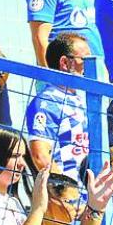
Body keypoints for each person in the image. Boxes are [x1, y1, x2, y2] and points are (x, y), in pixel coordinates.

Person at [25, 33, 90, 175]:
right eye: (84, 59)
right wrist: (63, 190)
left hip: (88, 191)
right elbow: (40, 155)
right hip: (68, 192)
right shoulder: (47, 101)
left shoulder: (83, 98)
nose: (90, 65)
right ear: (65, 63)